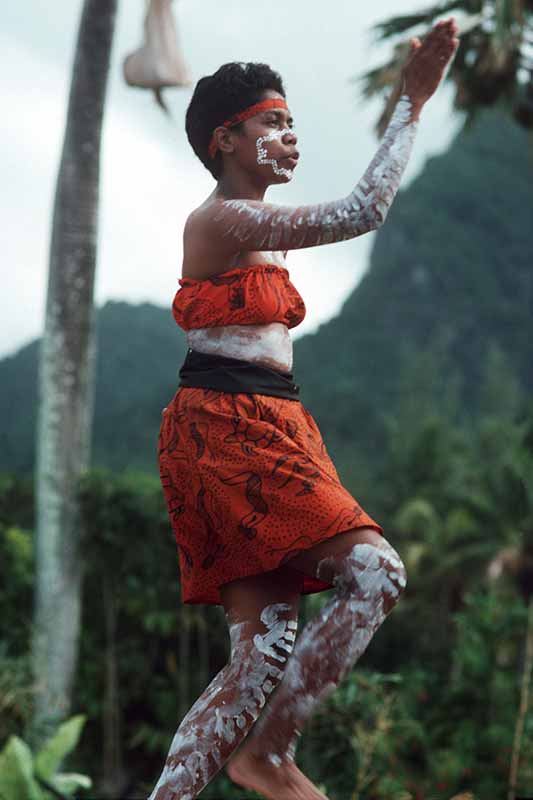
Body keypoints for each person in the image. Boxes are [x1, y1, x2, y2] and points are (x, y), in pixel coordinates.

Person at [149, 17, 460, 800]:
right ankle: (270, 754)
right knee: (375, 574)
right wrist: (410, 104)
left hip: (267, 421)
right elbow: (361, 211)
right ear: (225, 138)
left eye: (292, 124)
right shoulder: (220, 219)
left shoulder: (264, 230)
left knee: (258, 655)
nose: (290, 138)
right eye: (273, 123)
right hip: (226, 425)